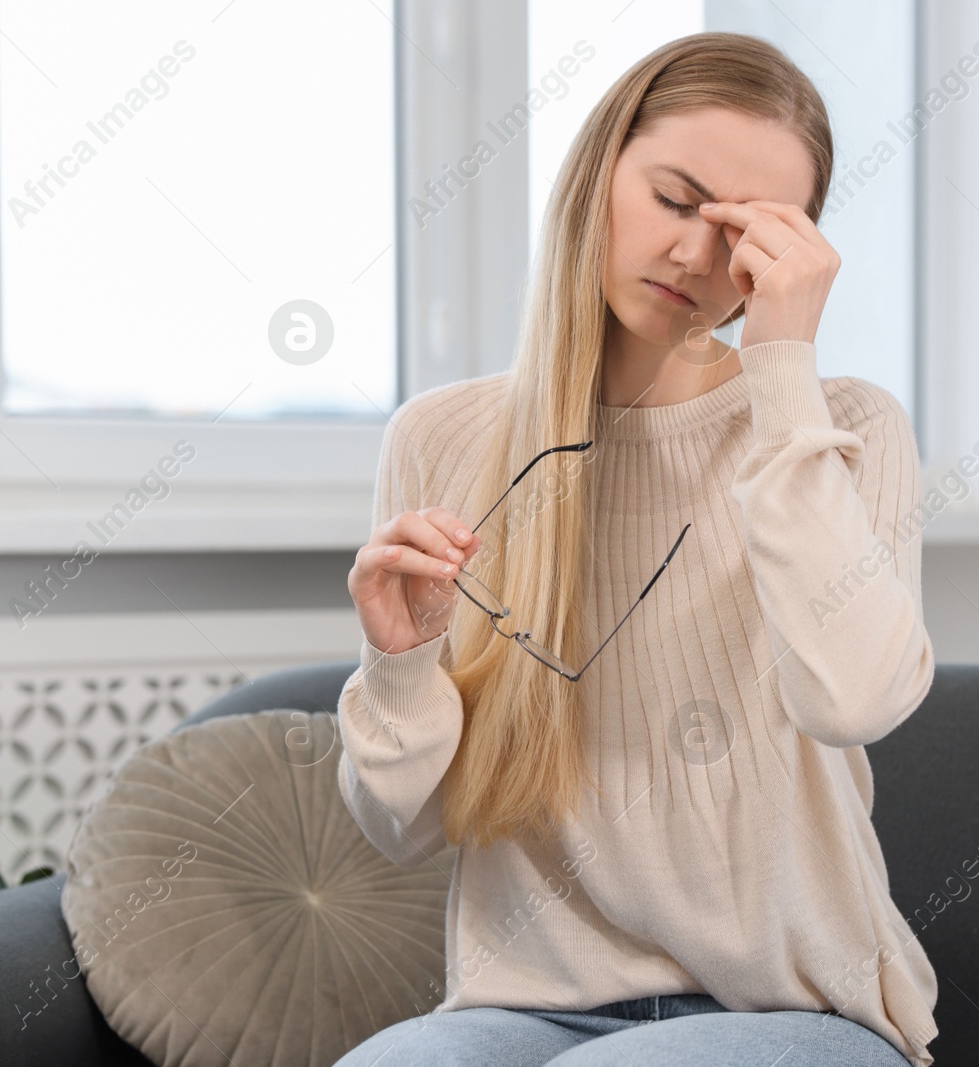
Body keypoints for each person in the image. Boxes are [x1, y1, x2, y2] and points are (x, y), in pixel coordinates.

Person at [334, 31, 937, 1067]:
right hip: (527, 1007)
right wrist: (399, 663)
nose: (697, 259)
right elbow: (399, 827)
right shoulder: (442, 439)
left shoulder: (845, 428)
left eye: (745, 234)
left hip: (798, 1014)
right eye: (675, 200)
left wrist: (782, 362)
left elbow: (852, 700)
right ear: (597, 173)